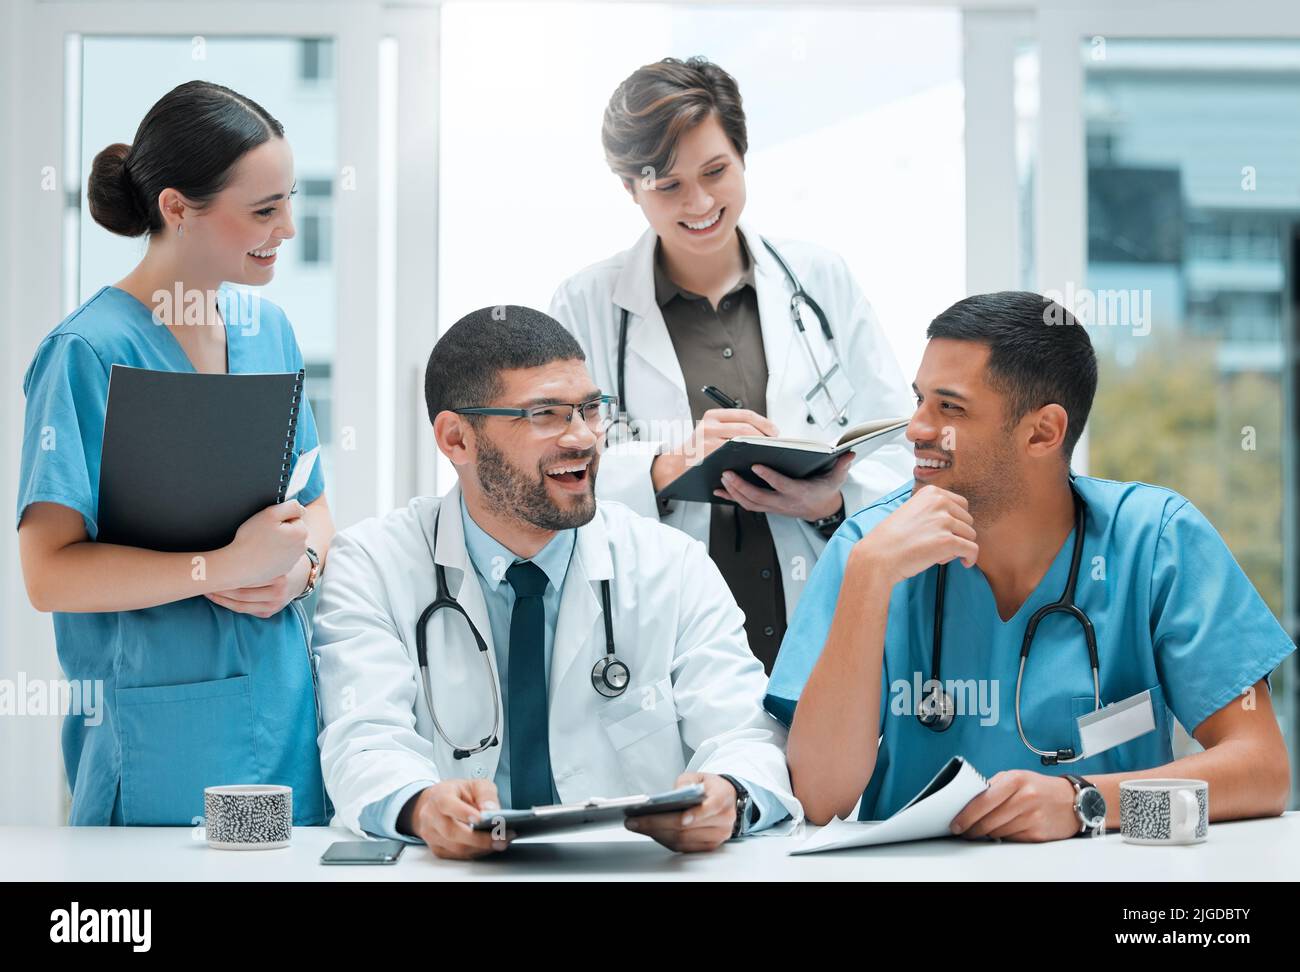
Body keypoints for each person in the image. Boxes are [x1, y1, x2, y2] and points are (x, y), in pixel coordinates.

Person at [766, 291, 1294, 840]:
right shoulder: (868, 546)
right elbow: (820, 799)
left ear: (1043, 432)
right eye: (919, 400)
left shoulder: (1157, 542)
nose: (916, 430)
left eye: (949, 407)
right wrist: (869, 579)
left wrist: (1086, 803)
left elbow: (1261, 773)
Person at [313, 306, 800, 858]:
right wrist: (421, 807)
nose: (583, 439)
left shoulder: (673, 565)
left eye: (590, 410)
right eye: (544, 414)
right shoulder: (373, 564)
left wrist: (730, 797)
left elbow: (746, 734)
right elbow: (363, 741)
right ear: (456, 440)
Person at [16, 81, 333, 826]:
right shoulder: (87, 353)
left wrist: (299, 570)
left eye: (290, 199)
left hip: (284, 713)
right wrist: (220, 570)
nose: (288, 228)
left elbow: (314, 501)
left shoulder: (270, 331)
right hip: (159, 738)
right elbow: (48, 573)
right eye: (263, 210)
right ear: (176, 209)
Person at [549, 57, 912, 672]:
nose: (700, 202)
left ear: (743, 157)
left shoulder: (821, 281)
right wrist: (666, 467)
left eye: (716, 171)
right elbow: (553, 468)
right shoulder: (585, 305)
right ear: (630, 189)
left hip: (819, 618)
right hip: (664, 638)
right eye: (667, 186)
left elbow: (902, 446)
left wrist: (830, 503)